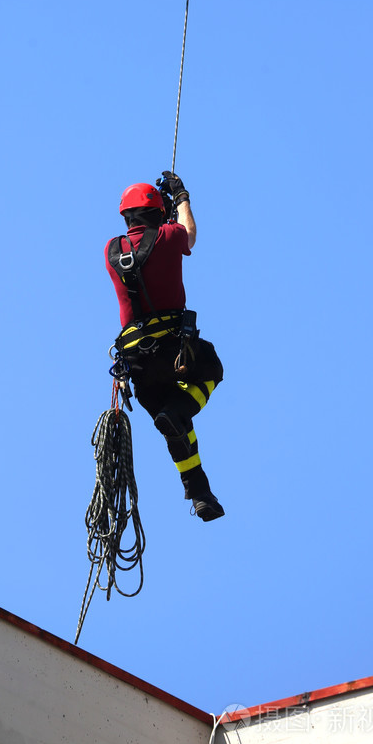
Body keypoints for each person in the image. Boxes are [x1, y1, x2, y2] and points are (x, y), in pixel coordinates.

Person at [105, 172, 225, 522]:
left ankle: (200, 493)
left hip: (137, 366)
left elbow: (148, 246)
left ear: (126, 218)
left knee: (174, 425)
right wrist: (182, 198)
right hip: (175, 352)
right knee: (212, 369)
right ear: (159, 214)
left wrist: (163, 216)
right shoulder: (170, 236)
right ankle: (181, 410)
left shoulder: (111, 250)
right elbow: (187, 235)